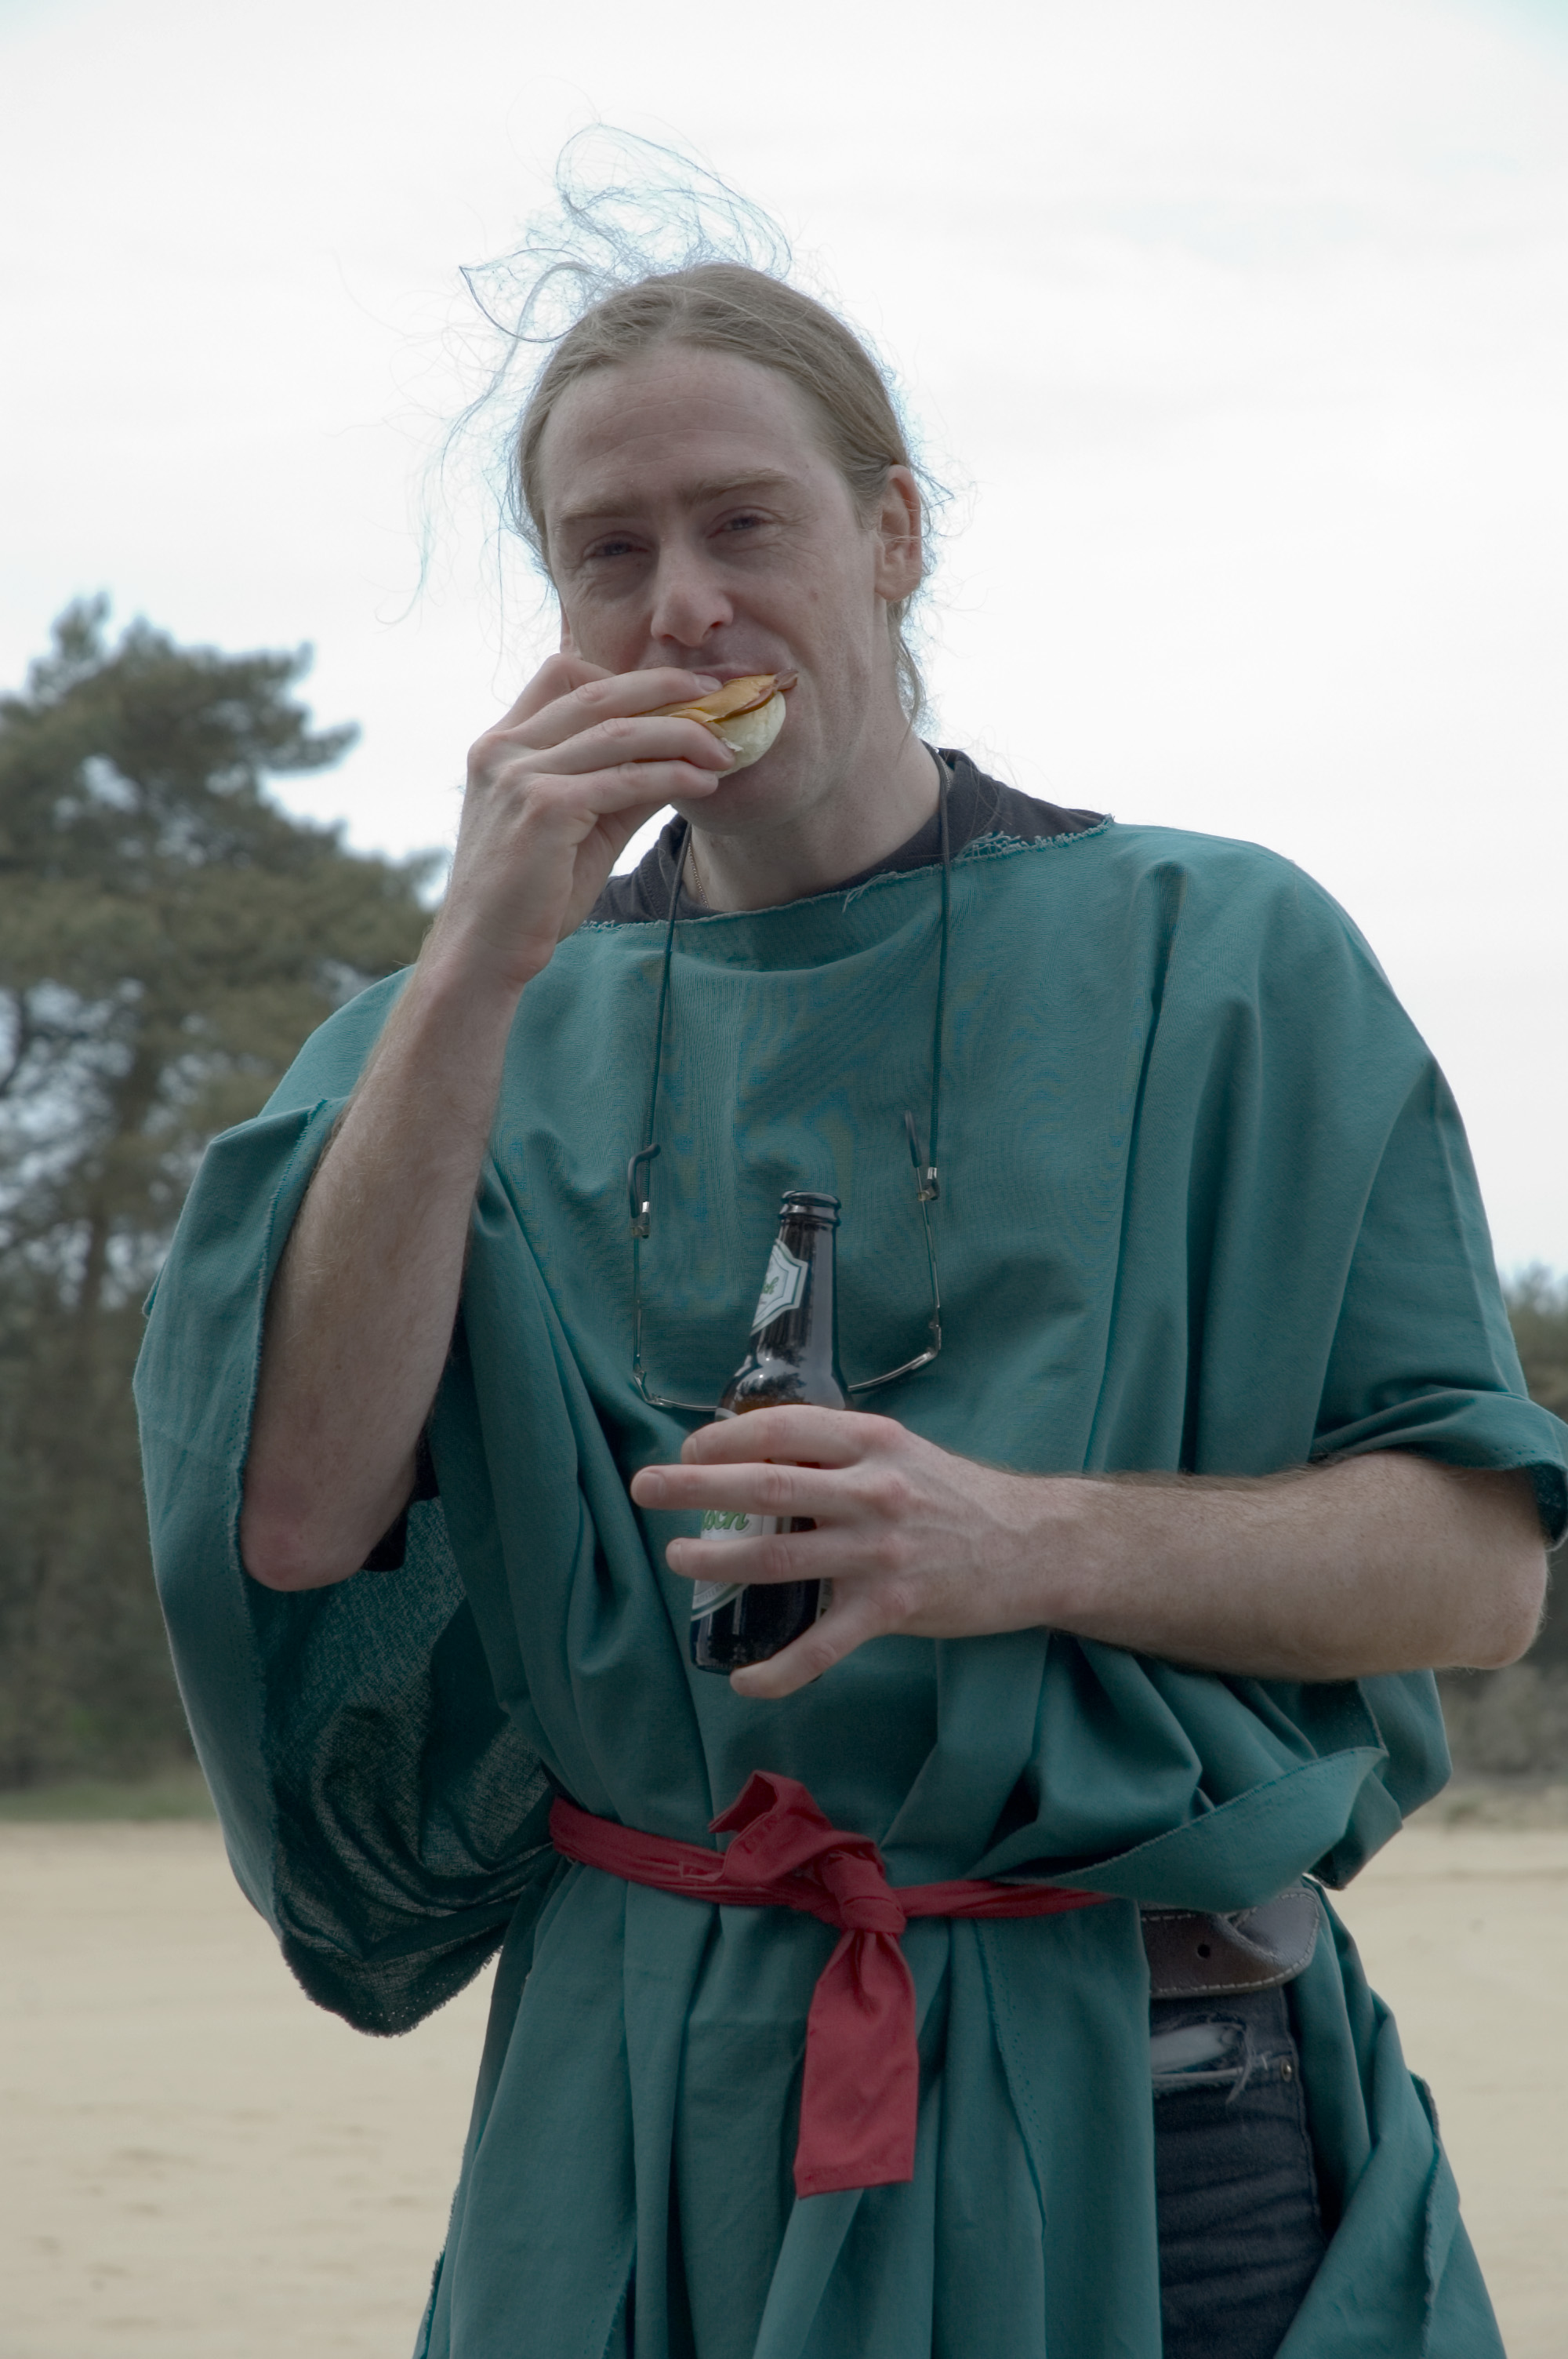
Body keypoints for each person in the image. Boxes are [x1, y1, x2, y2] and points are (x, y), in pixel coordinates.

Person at [136, 256, 1565, 2359]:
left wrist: (1017, 1541)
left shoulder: (1220, 959)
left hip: (1150, 2105)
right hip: (640, 2105)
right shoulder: (444, 1040)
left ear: (893, 533)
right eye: (609, 554)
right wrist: (468, 973)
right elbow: (294, 1519)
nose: (684, 606)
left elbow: (1478, 1573)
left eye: (746, 523)